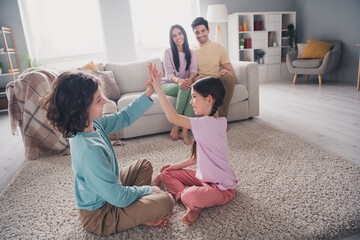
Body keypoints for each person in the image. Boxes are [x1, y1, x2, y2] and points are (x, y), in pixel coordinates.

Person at [40, 70, 174, 236]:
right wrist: (147, 189)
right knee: (166, 202)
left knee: (143, 165)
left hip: (108, 193)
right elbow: (118, 198)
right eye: (98, 100)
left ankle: (138, 209)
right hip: (100, 215)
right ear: (80, 109)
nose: (105, 101)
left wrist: (150, 91)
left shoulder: (92, 125)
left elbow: (124, 117)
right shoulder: (89, 151)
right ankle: (140, 213)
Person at [147, 63, 238, 226]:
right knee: (167, 172)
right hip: (205, 177)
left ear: (209, 99)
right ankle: (193, 201)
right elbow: (198, 157)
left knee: (190, 195)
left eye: (195, 97)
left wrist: (158, 88)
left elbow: (173, 118)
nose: (191, 102)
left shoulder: (207, 123)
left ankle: (192, 201)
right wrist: (176, 166)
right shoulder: (217, 121)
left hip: (222, 188)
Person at [191, 17, 236, 118]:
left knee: (229, 78)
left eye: (203, 31)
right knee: (202, 81)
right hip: (200, 79)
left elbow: (231, 72)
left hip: (216, 80)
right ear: (194, 34)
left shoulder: (219, 48)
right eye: (197, 32)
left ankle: (221, 119)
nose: (200, 34)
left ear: (208, 30)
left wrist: (226, 71)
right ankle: (209, 119)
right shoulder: (192, 51)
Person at [161, 24, 197, 145]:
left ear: (184, 35)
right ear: (171, 39)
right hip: (168, 84)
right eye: (174, 35)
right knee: (185, 88)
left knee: (192, 91)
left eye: (180, 33)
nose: (178, 37)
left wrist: (190, 79)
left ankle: (184, 131)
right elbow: (169, 74)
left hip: (184, 84)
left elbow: (193, 70)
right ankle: (177, 125)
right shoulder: (168, 52)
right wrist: (179, 81)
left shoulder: (191, 52)